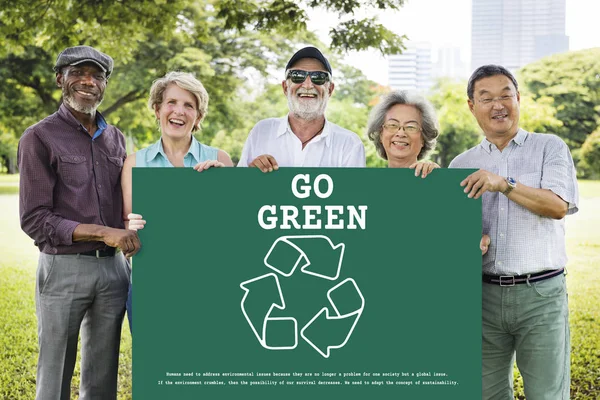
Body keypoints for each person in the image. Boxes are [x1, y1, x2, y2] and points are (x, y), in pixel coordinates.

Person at [18, 45, 140, 400]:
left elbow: (129, 201)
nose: (88, 81)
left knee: (103, 378)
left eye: (97, 75)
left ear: (105, 84)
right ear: (60, 79)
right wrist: (104, 232)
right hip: (64, 268)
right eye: (78, 72)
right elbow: (35, 219)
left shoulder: (116, 138)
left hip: (115, 271)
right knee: (54, 373)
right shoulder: (39, 137)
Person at [449, 65, 579, 399]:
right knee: (485, 394)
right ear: (471, 105)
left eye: (506, 94)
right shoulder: (461, 165)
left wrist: (503, 184)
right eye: (486, 97)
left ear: (518, 98)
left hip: (541, 295)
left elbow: (557, 206)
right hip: (482, 297)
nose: (498, 104)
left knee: (547, 394)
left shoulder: (550, 147)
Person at [121, 71, 233, 330]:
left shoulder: (220, 159)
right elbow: (126, 233)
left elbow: (234, 231)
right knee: (158, 365)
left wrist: (224, 189)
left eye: (189, 106)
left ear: (198, 116)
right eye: (172, 102)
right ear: (157, 108)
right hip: (152, 284)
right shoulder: (135, 164)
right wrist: (131, 228)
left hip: (210, 284)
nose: (179, 111)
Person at [367, 90, 491, 254]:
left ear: (424, 137)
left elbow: (463, 241)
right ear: (381, 133)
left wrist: (478, 242)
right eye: (392, 125)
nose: (401, 132)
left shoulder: (443, 188)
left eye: (411, 127)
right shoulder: (365, 191)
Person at [237, 46, 366, 171]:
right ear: (285, 88)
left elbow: (353, 193)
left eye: (318, 77)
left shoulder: (349, 144)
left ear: (330, 90)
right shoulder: (261, 132)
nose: (308, 85)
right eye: (297, 76)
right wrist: (250, 176)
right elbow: (239, 190)